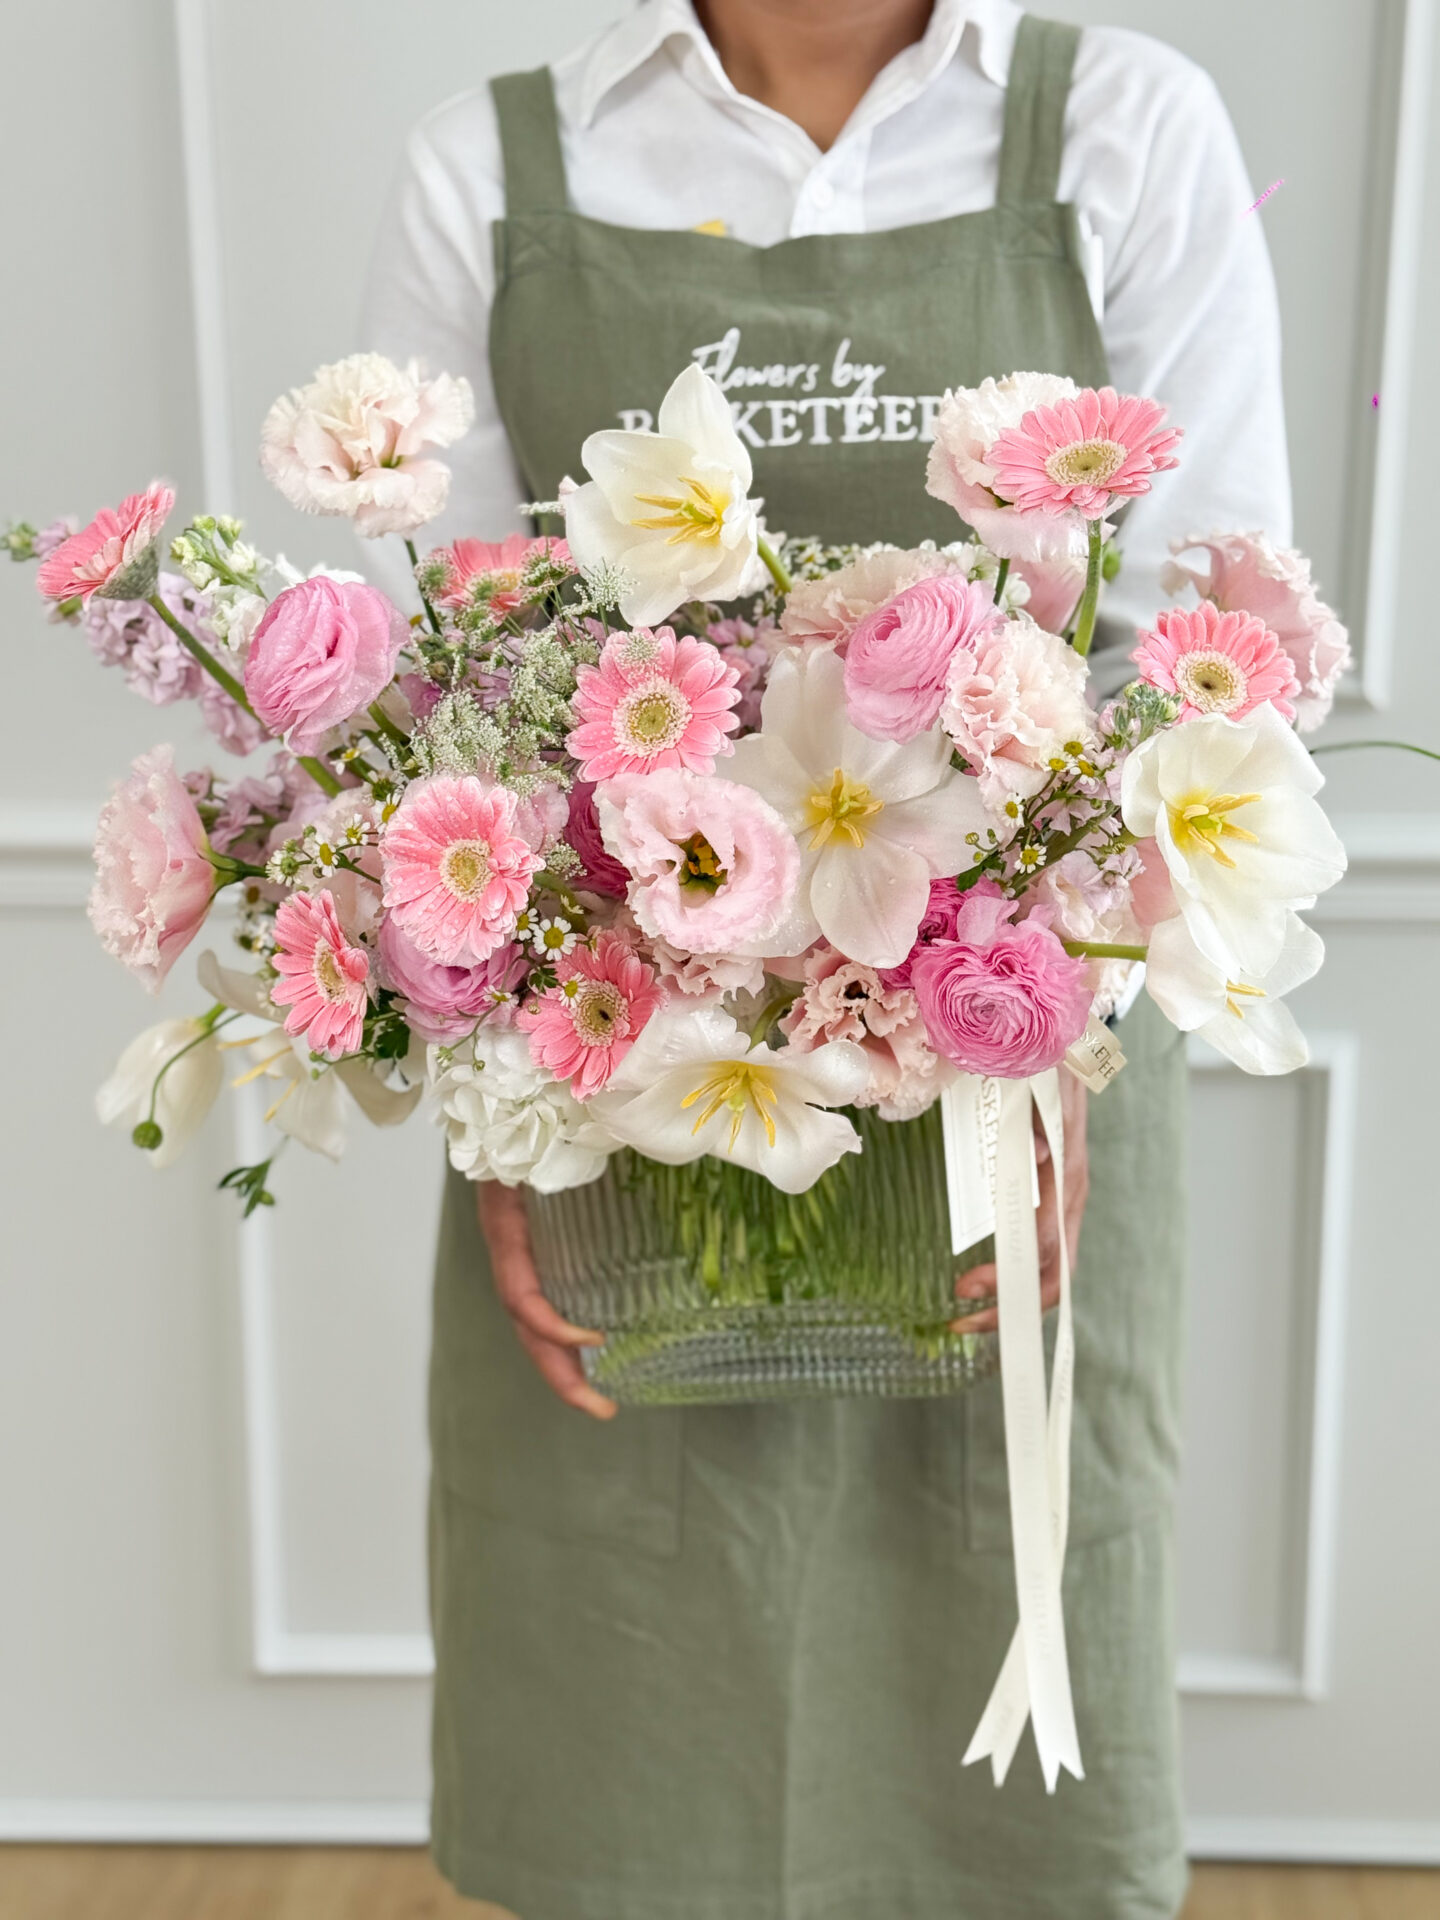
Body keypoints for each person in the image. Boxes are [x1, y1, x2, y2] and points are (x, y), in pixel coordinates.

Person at [363, 3, 1290, 1914]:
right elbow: (442, 692)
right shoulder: (493, 167)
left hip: (1018, 1057)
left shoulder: (1118, 130)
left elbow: (1201, 654)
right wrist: (505, 1110)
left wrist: (1041, 1019)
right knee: (630, 1725)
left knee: (998, 1729)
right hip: (622, 1085)